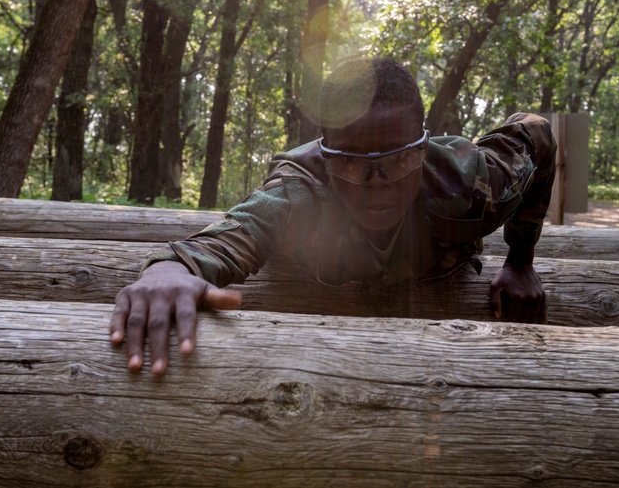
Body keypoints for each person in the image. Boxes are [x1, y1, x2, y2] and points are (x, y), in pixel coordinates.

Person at [110, 57, 556, 375]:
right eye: (350, 160)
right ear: (325, 157)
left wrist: (521, 260)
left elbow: (536, 132)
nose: (375, 179)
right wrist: (168, 270)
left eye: (398, 159)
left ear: (422, 149)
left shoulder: (471, 185)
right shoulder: (299, 193)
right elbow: (239, 229)